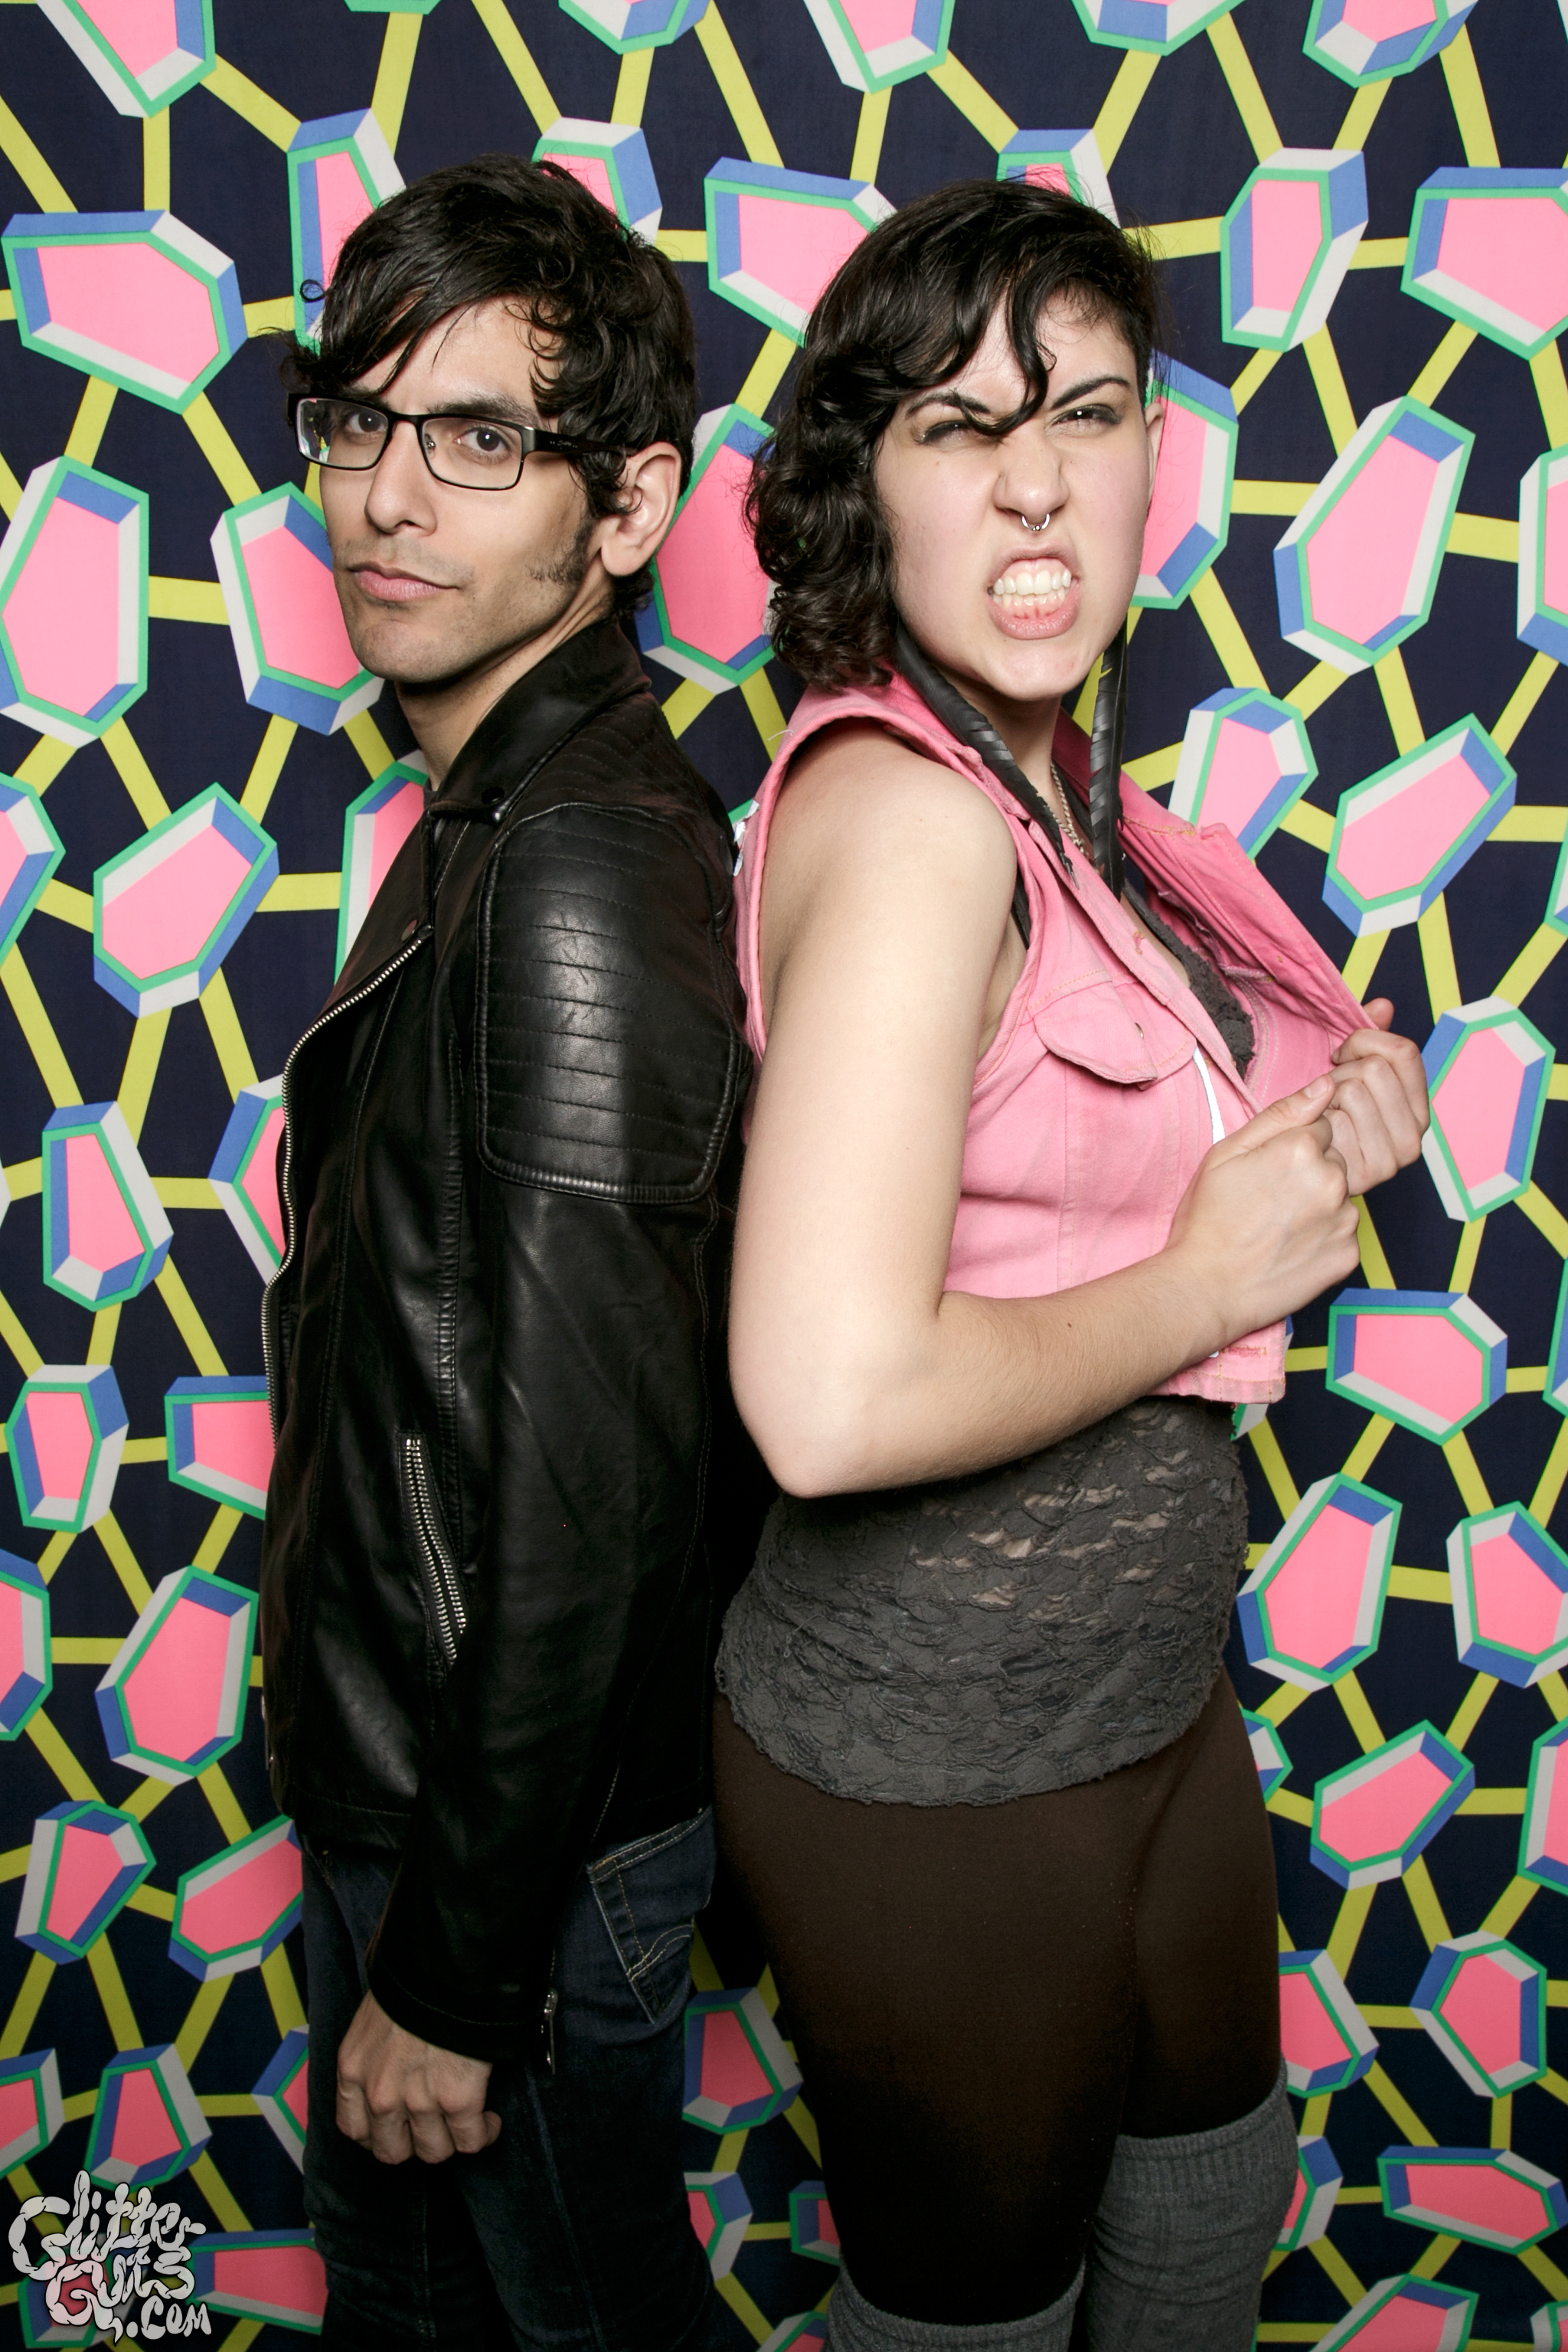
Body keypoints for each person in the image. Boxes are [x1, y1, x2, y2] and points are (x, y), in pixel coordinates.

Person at [712, 179, 1429, 2352]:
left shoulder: (1059, 795)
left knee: (1210, 2209)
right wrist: (1214, 1280)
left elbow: (1123, 1113)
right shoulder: (918, 822)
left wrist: (1343, 1106)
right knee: (982, 2321)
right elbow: (822, 1401)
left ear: (1150, 458)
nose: (1034, 478)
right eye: (957, 425)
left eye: (1086, 411)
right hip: (939, 1758)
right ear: (870, 487)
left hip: (1146, 1696)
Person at [258, 155, 755, 2351]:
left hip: (509, 1867)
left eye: (478, 437)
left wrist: (457, 1976)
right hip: (448, 1809)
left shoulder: (573, 870)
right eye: (358, 422)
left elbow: (596, 1490)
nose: (385, 497)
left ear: (632, 503)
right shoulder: (497, 814)